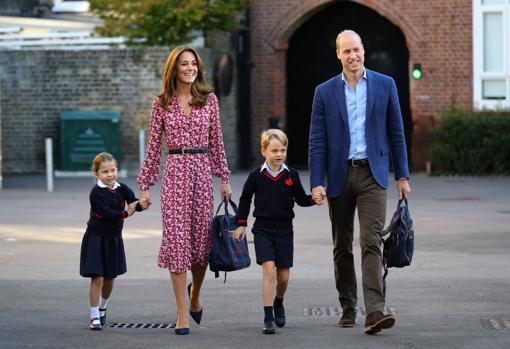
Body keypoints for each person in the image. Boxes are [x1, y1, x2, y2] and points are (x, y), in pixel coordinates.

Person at [308, 30, 411, 335]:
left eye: (357, 50)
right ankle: (348, 306)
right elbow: (317, 141)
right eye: (346, 51)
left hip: (372, 174)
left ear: (363, 51)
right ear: (338, 55)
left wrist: (402, 175)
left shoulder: (385, 84)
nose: (352, 56)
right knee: (342, 246)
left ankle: (375, 311)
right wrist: (316, 182)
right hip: (339, 176)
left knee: (371, 241)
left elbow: (397, 132)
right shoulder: (324, 92)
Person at [137, 46, 232, 335]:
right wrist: (145, 185)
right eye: (184, 64)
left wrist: (224, 178)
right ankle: (181, 312)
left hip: (202, 172)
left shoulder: (209, 100)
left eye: (193, 64)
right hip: (175, 173)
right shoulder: (161, 103)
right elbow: (153, 147)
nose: (190, 68)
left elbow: (217, 141)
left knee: (201, 246)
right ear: (174, 69)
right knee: (178, 243)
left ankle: (195, 295)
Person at [233, 129, 316, 334]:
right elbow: (244, 200)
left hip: (285, 230)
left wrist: (314, 199)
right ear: (264, 151)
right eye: (274, 150)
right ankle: (268, 316)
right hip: (262, 229)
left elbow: (301, 199)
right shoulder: (256, 176)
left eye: (283, 150)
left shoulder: (291, 174)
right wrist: (241, 223)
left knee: (283, 277)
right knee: (268, 271)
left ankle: (279, 301)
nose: (279, 154)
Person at [80, 152, 143, 330]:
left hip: (114, 239)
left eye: (113, 170)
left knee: (110, 278)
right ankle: (94, 317)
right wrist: (126, 213)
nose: (110, 175)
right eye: (105, 172)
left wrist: (141, 204)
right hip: (96, 237)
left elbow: (134, 202)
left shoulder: (122, 188)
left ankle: (102, 307)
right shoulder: (96, 193)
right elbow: (107, 213)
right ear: (97, 174)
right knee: (97, 277)